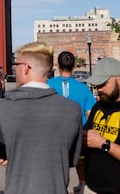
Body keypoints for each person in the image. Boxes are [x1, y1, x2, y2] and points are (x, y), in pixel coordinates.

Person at [0, 42, 83, 194]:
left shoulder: (4, 107)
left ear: (25, 68)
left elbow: (0, 152)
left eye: (17, 64)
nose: (15, 69)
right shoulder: (72, 110)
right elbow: (72, 159)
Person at [48, 51, 96, 194]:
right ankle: (82, 185)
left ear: (57, 65)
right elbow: (91, 113)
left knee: (56, 166)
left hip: (53, 135)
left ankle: (60, 188)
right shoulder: (83, 88)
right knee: (81, 161)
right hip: (77, 135)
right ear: (74, 66)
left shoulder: (47, 85)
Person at [83, 57, 120, 194]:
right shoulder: (98, 107)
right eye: (97, 85)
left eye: (104, 83)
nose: (99, 89)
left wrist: (103, 143)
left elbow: (98, 141)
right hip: (91, 187)